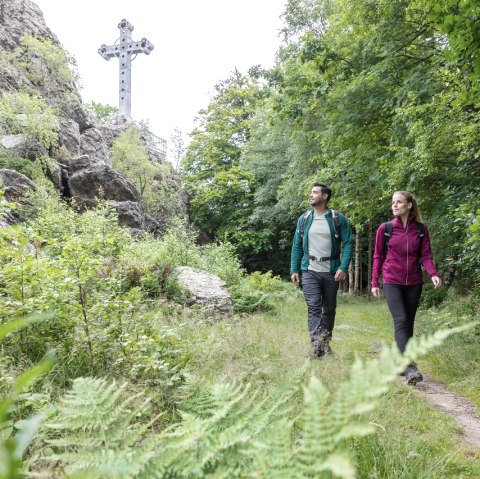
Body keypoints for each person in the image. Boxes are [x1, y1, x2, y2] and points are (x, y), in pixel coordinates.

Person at [371, 191, 441, 384]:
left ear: (409, 205)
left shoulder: (420, 229)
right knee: (401, 321)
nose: (394, 205)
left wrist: (433, 273)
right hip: (392, 282)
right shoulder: (385, 229)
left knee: (408, 324)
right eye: (393, 202)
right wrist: (375, 282)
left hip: (414, 283)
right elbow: (378, 256)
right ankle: (409, 366)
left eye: (399, 202)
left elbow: (426, 255)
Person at [290, 183, 353, 357]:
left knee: (330, 308)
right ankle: (317, 345)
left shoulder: (337, 218)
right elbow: (296, 245)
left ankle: (325, 342)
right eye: (311, 192)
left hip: (331, 271)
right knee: (313, 307)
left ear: (325, 196)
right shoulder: (304, 219)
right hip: (309, 269)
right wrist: (294, 269)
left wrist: (343, 266)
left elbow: (348, 243)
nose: (311, 195)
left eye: (315, 192)